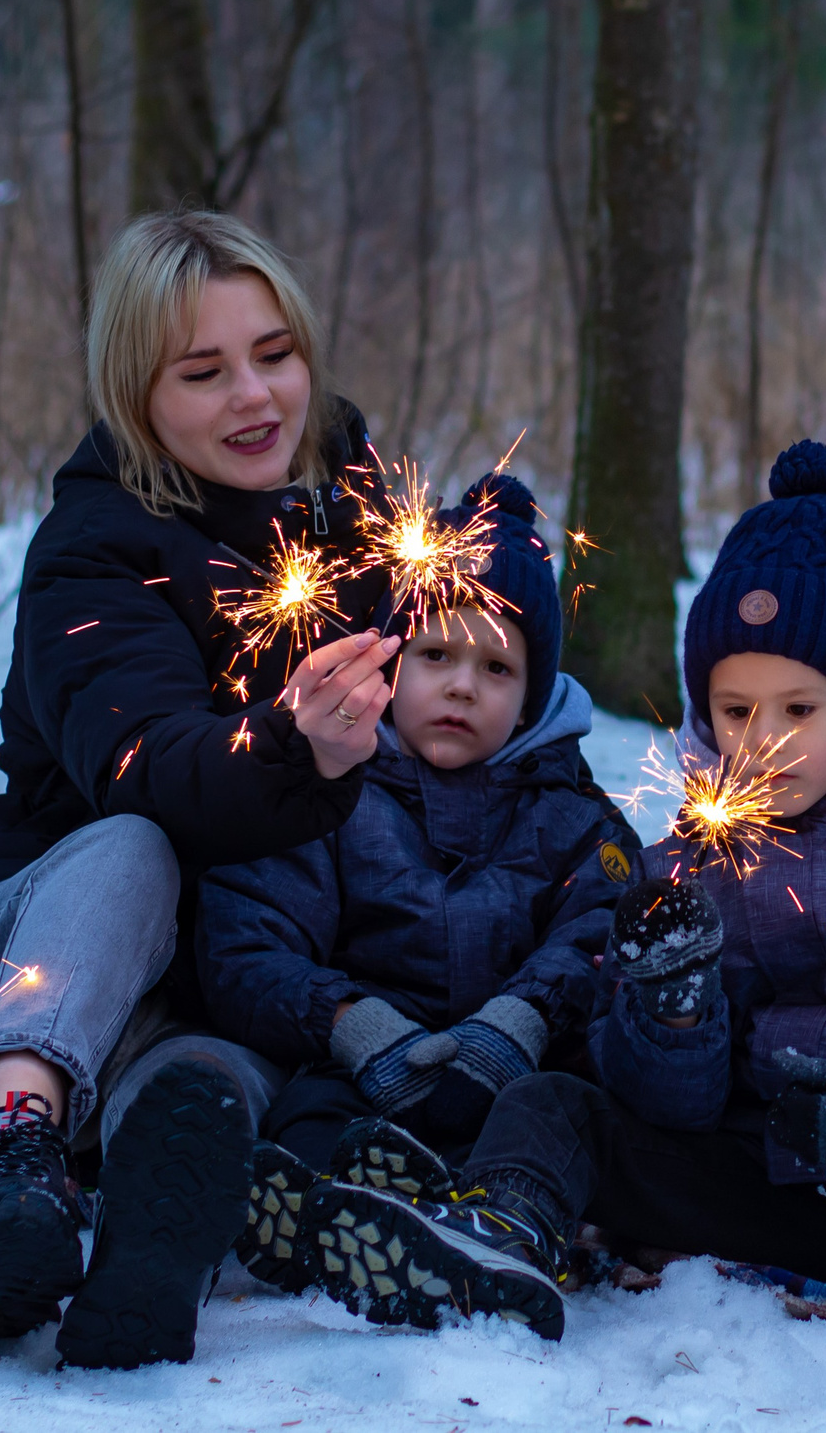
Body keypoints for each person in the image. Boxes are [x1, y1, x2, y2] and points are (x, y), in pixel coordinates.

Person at [290, 443, 826, 1419]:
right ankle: (494, 1240)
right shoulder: (676, 866)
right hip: (732, 1180)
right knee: (553, 1102)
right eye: (735, 709)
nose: (765, 738)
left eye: (800, 709)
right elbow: (659, 1097)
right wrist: (669, 1012)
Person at [0, 211, 401, 1366]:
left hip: (203, 985)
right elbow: (152, 769)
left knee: (214, 1074)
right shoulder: (93, 549)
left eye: (274, 354)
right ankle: (14, 1159)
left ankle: (146, 1257)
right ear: (138, 394)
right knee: (136, 844)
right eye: (204, 372)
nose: (254, 396)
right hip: (14, 972)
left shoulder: (364, 524)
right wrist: (296, 739)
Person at [195, 473, 641, 1309]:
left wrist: (524, 1018)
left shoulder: (571, 815)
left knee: (549, 1118)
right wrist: (347, 1022)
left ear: (535, 693)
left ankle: (478, 1220)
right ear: (390, 657)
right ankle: (332, 1212)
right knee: (307, 1112)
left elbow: (602, 931)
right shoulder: (333, 791)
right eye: (436, 654)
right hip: (366, 1062)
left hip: (508, 1066)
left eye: (497, 667)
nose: (463, 685)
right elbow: (248, 937)